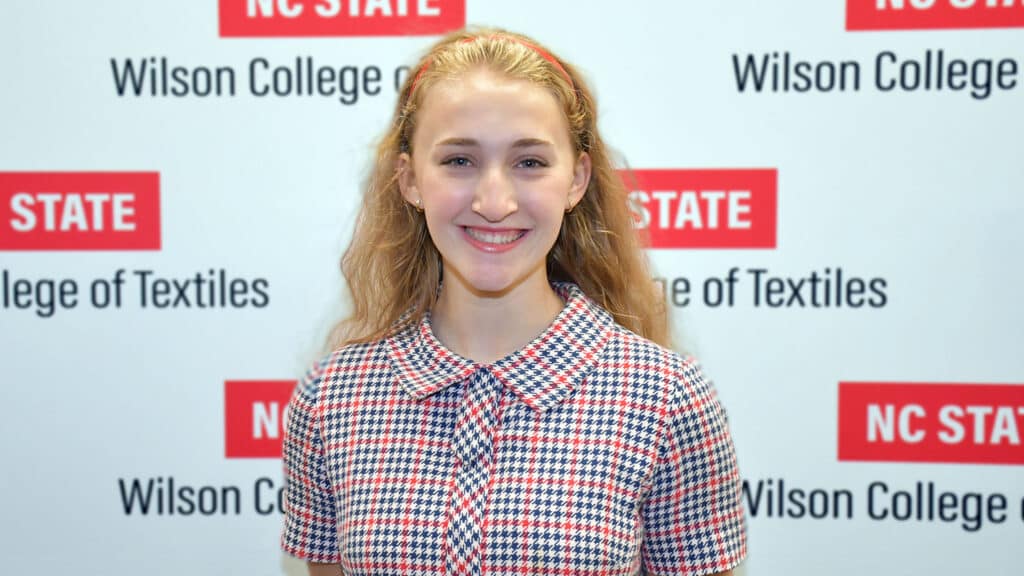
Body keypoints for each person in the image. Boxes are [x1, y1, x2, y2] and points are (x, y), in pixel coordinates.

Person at [281, 27, 746, 576]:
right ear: (409, 180)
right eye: (459, 161)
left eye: (529, 163)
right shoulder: (333, 397)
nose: (494, 202)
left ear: (576, 179)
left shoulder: (667, 400)